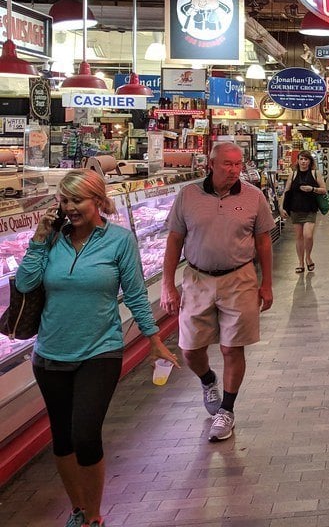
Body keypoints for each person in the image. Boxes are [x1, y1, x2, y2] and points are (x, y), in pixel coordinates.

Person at [16, 170, 179, 527]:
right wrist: (39, 240)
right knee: (62, 438)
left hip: (100, 352)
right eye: (65, 200)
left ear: (98, 202)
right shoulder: (52, 240)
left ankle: (93, 515)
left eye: (77, 200)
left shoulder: (118, 240)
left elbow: (135, 294)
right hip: (50, 354)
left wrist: (154, 340)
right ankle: (76, 509)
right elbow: (26, 283)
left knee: (85, 435)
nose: (69, 208)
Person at [160, 141, 274, 443]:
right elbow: (174, 240)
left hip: (239, 279)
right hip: (197, 279)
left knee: (232, 348)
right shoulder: (188, 196)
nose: (234, 170)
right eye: (227, 164)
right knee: (190, 348)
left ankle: (227, 410)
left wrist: (267, 284)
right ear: (210, 164)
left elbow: (264, 241)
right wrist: (167, 284)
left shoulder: (253, 197)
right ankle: (208, 379)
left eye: (238, 164)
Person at [280, 150, 328, 274]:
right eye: (301, 159)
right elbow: (287, 190)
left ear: (310, 161)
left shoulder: (315, 173)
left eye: (306, 159)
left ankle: (308, 257)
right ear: (298, 160)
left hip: (310, 209)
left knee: (308, 235)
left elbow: (324, 190)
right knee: (299, 237)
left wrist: (312, 188)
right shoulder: (293, 174)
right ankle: (301, 262)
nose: (303, 162)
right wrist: (282, 207)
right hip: (295, 209)